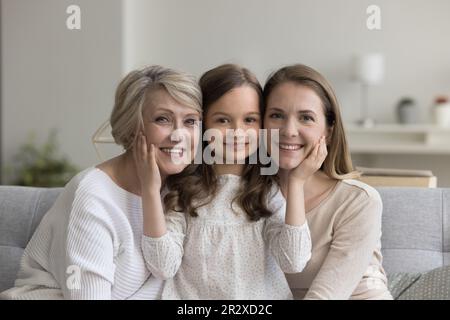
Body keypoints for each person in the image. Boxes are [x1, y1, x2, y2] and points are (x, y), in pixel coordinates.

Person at [0, 65, 202, 300]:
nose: (179, 135)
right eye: (162, 119)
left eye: (190, 121)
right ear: (132, 127)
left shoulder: (177, 190)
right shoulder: (93, 195)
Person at [139, 64, 317, 299]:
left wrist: (295, 184)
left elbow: (293, 260)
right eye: (223, 120)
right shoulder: (182, 189)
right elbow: (163, 266)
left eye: (249, 120)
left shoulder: (265, 190)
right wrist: (150, 191)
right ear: (202, 124)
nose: (237, 132)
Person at [263, 64, 393, 300]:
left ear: (329, 132)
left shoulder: (359, 200)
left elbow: (325, 297)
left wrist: (296, 182)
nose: (289, 130)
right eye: (276, 115)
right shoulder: (251, 196)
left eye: (306, 118)